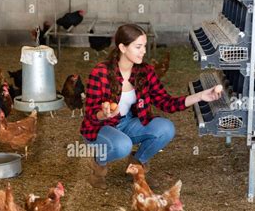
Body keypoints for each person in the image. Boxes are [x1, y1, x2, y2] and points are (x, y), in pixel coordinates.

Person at [80, 24, 222, 189]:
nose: (144, 51)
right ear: (122, 48)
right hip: (100, 127)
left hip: (127, 123)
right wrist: (103, 114)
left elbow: (166, 103)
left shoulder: (145, 71)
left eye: (144, 46)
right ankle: (98, 163)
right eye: (138, 47)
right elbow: (90, 114)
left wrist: (201, 96)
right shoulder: (101, 72)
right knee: (122, 145)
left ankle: (136, 167)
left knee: (166, 128)